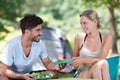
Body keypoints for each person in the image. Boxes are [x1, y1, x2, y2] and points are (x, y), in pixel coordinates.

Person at [0, 14, 66, 80]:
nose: (41, 33)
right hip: (13, 76)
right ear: (27, 32)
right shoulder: (11, 45)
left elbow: (48, 64)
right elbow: (4, 70)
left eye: (41, 30)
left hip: (28, 75)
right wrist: (21, 76)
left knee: (53, 74)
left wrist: (56, 67)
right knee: (2, 78)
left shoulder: (40, 44)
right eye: (38, 30)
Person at [70, 9, 112, 80]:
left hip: (99, 70)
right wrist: (70, 62)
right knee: (102, 63)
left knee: (101, 64)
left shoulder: (107, 37)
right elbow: (74, 60)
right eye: (81, 24)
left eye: (85, 23)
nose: (82, 26)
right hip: (81, 73)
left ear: (95, 22)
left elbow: (102, 58)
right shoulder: (79, 37)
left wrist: (83, 60)